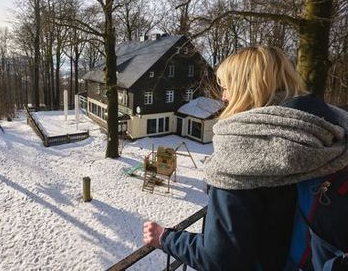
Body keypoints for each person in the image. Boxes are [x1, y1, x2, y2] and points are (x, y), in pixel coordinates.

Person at [143, 46, 348, 270]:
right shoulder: (329, 129)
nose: (223, 96)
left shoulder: (241, 151)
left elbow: (220, 259)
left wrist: (166, 238)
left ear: (245, 89)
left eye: (226, 87)